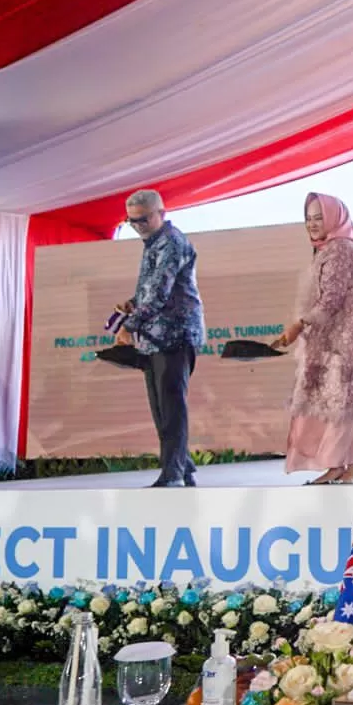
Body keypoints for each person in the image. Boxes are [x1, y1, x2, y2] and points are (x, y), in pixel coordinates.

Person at [274, 193, 353, 484]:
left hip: (349, 343)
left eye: (319, 218)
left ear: (335, 218)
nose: (312, 224)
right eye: (308, 219)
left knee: (344, 405)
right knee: (341, 406)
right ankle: (343, 467)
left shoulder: (340, 249)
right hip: (339, 341)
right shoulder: (330, 249)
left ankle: (345, 467)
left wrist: (299, 325)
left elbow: (331, 300)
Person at [114, 189, 205, 488]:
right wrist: (133, 303)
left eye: (144, 219)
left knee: (170, 406)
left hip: (175, 334)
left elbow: (159, 292)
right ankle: (183, 466)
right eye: (132, 221)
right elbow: (154, 289)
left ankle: (174, 472)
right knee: (161, 407)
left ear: (161, 213)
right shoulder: (154, 242)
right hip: (156, 336)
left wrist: (129, 324)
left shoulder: (171, 241)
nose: (139, 225)